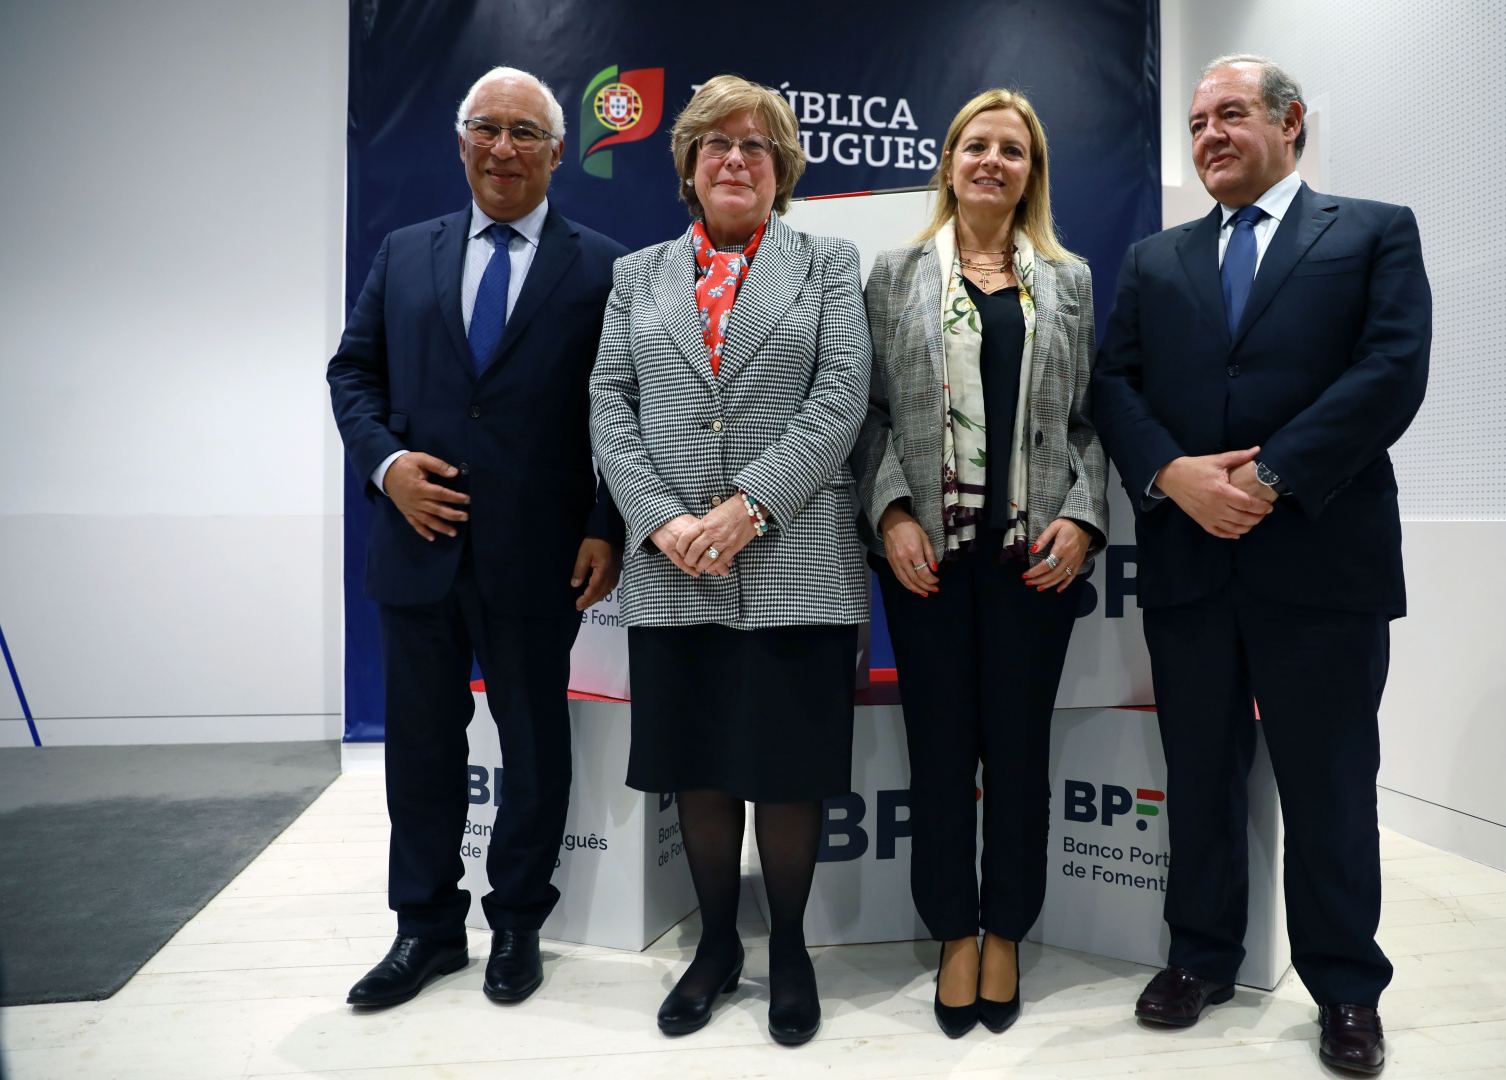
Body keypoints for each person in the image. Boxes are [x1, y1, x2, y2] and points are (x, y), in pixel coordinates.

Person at [1092, 55, 1431, 1075]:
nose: (1210, 135)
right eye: (1197, 122)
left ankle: (1347, 988)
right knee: (1198, 775)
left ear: (1291, 124)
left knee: (1331, 786)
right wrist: (1173, 474)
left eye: (1231, 114)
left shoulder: (1373, 231)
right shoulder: (1155, 260)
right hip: (1191, 561)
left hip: (1323, 560)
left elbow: (1392, 370)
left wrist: (1272, 476)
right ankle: (1198, 957)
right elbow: (1114, 384)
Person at [327, 66, 627, 1009]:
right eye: (486, 128)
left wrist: (605, 525)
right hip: (416, 548)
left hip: (540, 556)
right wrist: (388, 466)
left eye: (525, 132)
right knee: (421, 748)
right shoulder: (402, 252)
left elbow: (625, 410)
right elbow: (353, 375)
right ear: (460, 142)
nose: (504, 147)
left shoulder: (606, 267)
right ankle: (425, 928)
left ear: (557, 152)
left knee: (534, 746)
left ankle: (519, 923)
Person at [588, 75, 870, 1046]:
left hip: (796, 559)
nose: (736, 160)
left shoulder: (827, 262)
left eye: (756, 146)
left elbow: (842, 396)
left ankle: (788, 947)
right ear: (689, 165)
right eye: (717, 144)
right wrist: (659, 519)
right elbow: (609, 404)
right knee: (699, 771)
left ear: (782, 168)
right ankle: (715, 947)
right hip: (674, 569)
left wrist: (752, 505)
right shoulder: (637, 276)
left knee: (788, 774)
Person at [850, 88, 1109, 1038]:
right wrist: (890, 513)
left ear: (1031, 172)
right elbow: (868, 415)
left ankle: (1006, 932)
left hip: (1033, 563)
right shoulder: (895, 275)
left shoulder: (1068, 281)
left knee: (1020, 756)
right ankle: (953, 934)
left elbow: (1088, 423)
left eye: (1013, 149)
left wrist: (1082, 520)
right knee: (940, 753)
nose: (993, 161)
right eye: (976, 145)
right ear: (950, 162)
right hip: (928, 562)